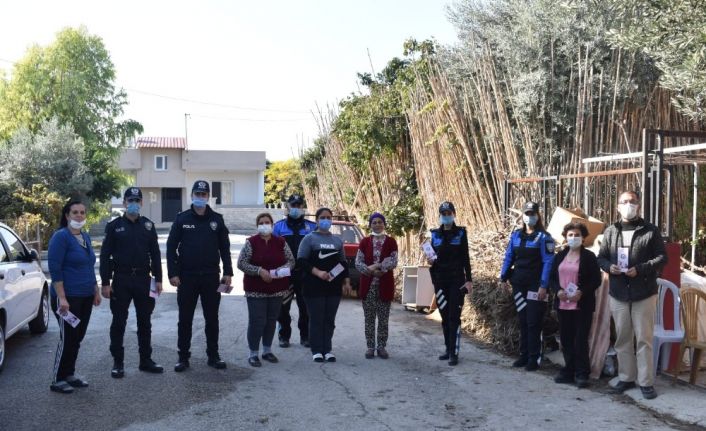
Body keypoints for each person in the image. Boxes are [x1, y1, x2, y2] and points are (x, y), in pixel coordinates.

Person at [598, 191, 667, 400]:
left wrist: (642, 268)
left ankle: (646, 382)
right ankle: (626, 377)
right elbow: (600, 258)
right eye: (624, 202)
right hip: (618, 292)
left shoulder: (650, 231)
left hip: (644, 293)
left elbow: (663, 258)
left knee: (644, 339)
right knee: (622, 337)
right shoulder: (611, 231)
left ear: (639, 206)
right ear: (618, 206)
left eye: (633, 202)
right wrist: (610, 267)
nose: (629, 205)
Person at [167, 180, 233, 372]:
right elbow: (171, 248)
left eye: (204, 195)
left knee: (212, 318)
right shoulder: (182, 219)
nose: (200, 198)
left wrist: (228, 272)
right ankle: (183, 357)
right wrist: (173, 273)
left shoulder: (217, 220)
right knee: (185, 318)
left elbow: (225, 248)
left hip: (211, 276)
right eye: (197, 194)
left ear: (208, 196)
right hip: (187, 277)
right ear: (192, 195)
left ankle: (213, 356)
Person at [99, 187, 163, 378]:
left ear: (141, 203)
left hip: (144, 279)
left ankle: (146, 360)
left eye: (137, 200)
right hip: (121, 279)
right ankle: (118, 362)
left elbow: (156, 254)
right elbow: (104, 256)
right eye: (130, 200)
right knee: (119, 322)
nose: (133, 203)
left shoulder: (148, 226)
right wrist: (105, 282)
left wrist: (159, 279)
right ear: (124, 203)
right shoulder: (114, 226)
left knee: (145, 321)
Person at [48, 200, 102, 394]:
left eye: (82, 212)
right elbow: (55, 269)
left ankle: (69, 374)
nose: (79, 216)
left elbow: (88, 266)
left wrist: (95, 290)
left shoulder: (85, 237)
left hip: (86, 295)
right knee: (68, 337)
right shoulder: (61, 237)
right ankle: (57, 378)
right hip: (68, 298)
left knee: (77, 337)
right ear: (67, 215)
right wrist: (62, 298)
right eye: (75, 212)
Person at [500, 201, 554, 371]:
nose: (529, 217)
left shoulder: (545, 238)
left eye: (533, 214)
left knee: (533, 321)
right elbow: (509, 257)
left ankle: (534, 357)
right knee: (522, 319)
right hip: (518, 284)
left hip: (536, 286)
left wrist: (544, 285)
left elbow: (548, 262)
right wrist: (503, 278)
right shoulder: (516, 235)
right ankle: (523, 355)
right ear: (522, 216)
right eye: (527, 213)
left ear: (538, 216)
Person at [548, 222, 602, 388]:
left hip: (582, 305)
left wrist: (582, 293)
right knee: (566, 339)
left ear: (583, 237)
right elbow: (552, 278)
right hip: (563, 304)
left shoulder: (589, 257)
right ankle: (569, 370)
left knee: (580, 339)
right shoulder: (559, 256)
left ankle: (581, 373)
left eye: (577, 235)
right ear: (565, 237)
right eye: (570, 235)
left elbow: (596, 280)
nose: (573, 238)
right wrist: (557, 291)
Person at [237, 213, 295, 367]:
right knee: (257, 321)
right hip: (255, 290)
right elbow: (241, 263)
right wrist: (259, 271)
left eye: (267, 222)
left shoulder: (281, 242)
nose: (264, 225)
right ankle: (253, 353)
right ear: (257, 226)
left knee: (270, 321)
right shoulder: (251, 242)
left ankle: (267, 350)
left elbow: (291, 261)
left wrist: (277, 272)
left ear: (272, 224)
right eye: (261, 222)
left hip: (276, 289)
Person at [297, 207, 352, 362]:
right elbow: (301, 261)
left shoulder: (337, 240)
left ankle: (327, 349)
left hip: (333, 288)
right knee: (316, 319)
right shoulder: (309, 238)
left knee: (329, 320)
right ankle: (316, 350)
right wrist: (318, 272)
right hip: (313, 287)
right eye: (323, 217)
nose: (326, 220)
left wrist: (346, 281)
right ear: (317, 220)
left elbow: (343, 263)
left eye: (328, 217)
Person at [427, 202, 473, 366]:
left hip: (456, 281)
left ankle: (454, 352)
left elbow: (465, 257)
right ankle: (447, 349)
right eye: (443, 213)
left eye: (449, 212)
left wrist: (469, 279)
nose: (446, 215)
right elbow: (431, 258)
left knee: (454, 316)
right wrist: (429, 260)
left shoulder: (461, 233)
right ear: (440, 215)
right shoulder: (434, 235)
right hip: (440, 281)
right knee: (445, 316)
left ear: (453, 214)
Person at [273, 194, 316, 348]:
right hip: (285, 275)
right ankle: (284, 336)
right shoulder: (278, 227)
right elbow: (273, 251)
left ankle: (305, 336)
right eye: (293, 205)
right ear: (288, 207)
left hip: (305, 275)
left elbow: (315, 251)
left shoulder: (312, 227)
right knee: (283, 307)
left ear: (302, 207)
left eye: (299, 205)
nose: (296, 208)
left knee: (305, 307)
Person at [355, 212, 398, 359]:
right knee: (369, 318)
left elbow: (394, 261)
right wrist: (371, 272)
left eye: (380, 222)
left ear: (384, 224)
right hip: (369, 286)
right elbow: (358, 262)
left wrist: (380, 267)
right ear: (370, 225)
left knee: (383, 318)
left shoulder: (391, 241)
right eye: (374, 222)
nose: (377, 224)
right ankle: (370, 347)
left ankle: (381, 347)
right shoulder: (364, 242)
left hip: (384, 285)